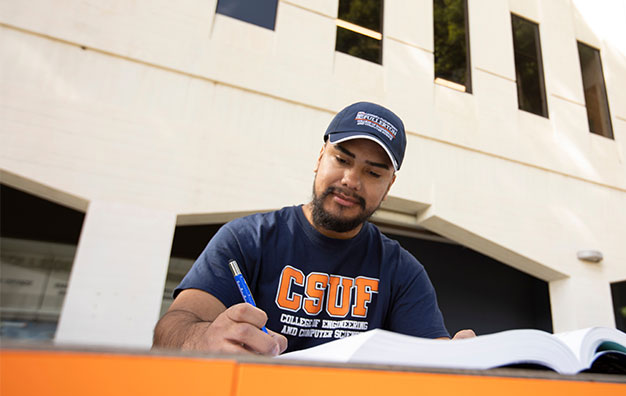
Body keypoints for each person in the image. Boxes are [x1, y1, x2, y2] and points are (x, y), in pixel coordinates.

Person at [153, 101, 474, 356]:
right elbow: (171, 330)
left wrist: (458, 360)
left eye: (373, 173)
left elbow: (432, 366)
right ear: (321, 157)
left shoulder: (402, 271)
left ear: (389, 187)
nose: (351, 179)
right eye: (342, 159)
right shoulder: (245, 239)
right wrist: (203, 338)